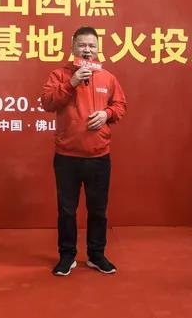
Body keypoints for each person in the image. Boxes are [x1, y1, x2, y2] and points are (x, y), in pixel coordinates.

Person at [40, 27, 127, 276]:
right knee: (67, 210)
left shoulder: (108, 78)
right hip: (66, 157)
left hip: (99, 156)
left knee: (98, 210)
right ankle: (67, 256)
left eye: (91, 45)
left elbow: (120, 105)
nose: (87, 50)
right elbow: (47, 103)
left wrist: (107, 114)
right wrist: (72, 82)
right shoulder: (59, 75)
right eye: (82, 45)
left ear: (97, 49)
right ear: (73, 47)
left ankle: (96, 255)